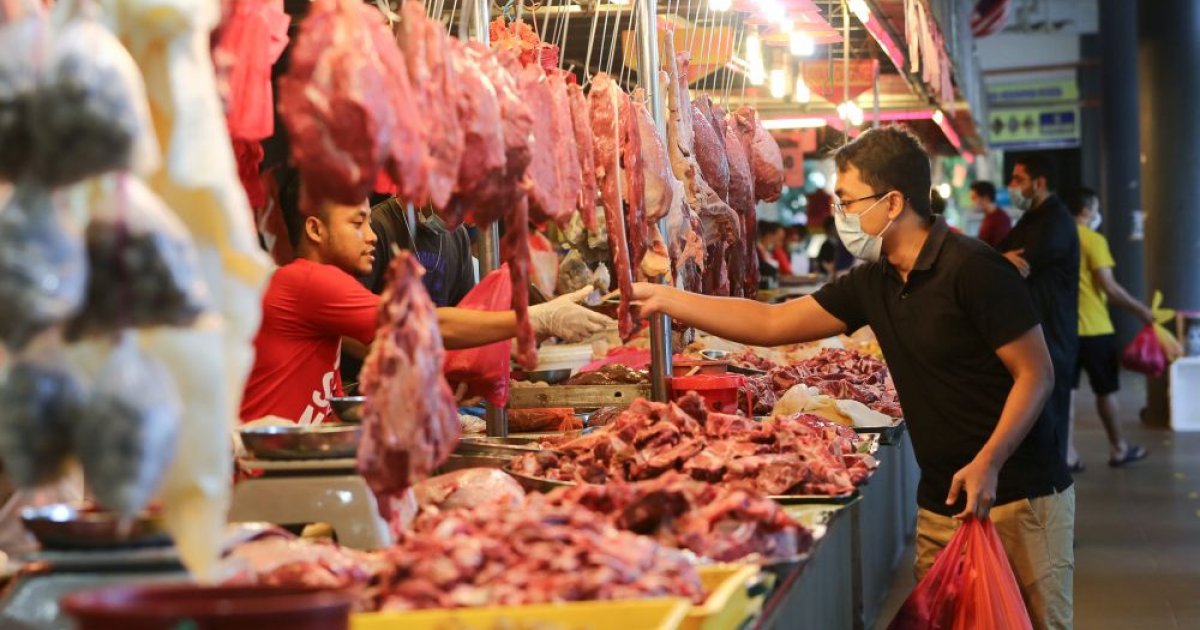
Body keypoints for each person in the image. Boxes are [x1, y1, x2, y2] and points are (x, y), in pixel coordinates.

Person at [633, 127, 1074, 629]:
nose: (839, 214)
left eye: (846, 200)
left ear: (891, 204)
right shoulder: (874, 282)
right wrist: (667, 299)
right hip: (942, 502)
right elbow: (773, 323)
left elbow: (1036, 373)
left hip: (1020, 497)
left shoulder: (974, 269)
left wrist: (989, 462)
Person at [240, 178, 613, 425]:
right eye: (357, 225)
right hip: (268, 476)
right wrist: (535, 318)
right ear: (315, 229)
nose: (370, 237)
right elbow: (431, 323)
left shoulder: (317, 281)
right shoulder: (309, 281)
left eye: (369, 223)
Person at [1066, 188, 1153, 470]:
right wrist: (1140, 309)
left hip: (1064, 330)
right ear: (1086, 210)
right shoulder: (1093, 240)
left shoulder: (1057, 239)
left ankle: (1067, 455)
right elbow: (1109, 287)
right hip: (1095, 329)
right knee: (1106, 391)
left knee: (1066, 394)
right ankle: (1118, 448)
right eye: (1095, 208)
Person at [1001, 155, 1081, 466]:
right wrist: (1003, 257)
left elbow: (1021, 262)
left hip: (1053, 333)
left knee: (1050, 414)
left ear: (1040, 182)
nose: (1012, 186)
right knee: (1034, 414)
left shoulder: (1057, 222)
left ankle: (1052, 485)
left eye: (1018, 180)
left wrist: (1004, 259)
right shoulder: (1031, 218)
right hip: (1033, 329)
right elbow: (999, 254)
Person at [362, 197, 475, 306]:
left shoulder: (459, 236)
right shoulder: (376, 228)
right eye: (454, 205)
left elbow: (466, 310)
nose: (460, 219)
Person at [971, 180, 1012, 249]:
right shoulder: (988, 217)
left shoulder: (1001, 219)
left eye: (974, 197)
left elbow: (1000, 250)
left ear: (985, 198)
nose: (972, 201)